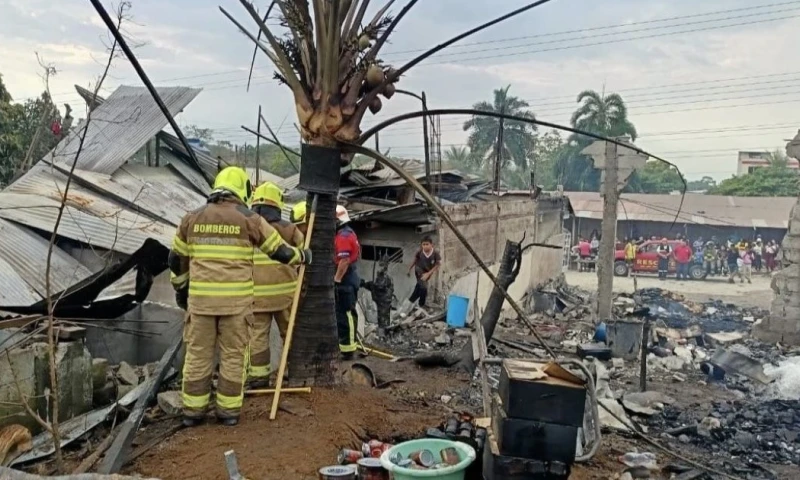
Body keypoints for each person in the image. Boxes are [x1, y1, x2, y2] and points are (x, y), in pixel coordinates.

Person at [169, 167, 310, 427]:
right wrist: (302, 256)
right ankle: (228, 412)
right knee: (233, 355)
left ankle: (192, 412)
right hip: (236, 306)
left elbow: (176, 260)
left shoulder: (191, 218)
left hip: (200, 305)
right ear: (243, 189)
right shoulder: (249, 219)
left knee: (198, 355)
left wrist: (181, 291)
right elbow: (278, 250)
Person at [247, 183, 305, 389]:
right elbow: (303, 254)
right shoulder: (289, 229)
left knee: (257, 338)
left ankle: (258, 378)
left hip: (256, 298)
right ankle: (293, 372)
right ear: (278, 203)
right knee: (290, 334)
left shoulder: (249, 229)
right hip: (286, 296)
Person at [334, 205, 361, 359]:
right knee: (346, 313)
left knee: (346, 313)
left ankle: (348, 350)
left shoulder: (343, 236)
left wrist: (336, 279)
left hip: (345, 278)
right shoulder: (348, 232)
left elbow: (344, 261)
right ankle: (347, 346)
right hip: (350, 277)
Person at [407, 236, 441, 308]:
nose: (425, 246)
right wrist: (409, 268)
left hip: (427, 271)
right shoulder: (420, 252)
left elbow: (438, 264)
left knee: (419, 287)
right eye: (423, 244)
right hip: (419, 270)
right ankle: (421, 304)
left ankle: (409, 302)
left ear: (432, 245)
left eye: (427, 244)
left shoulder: (435, 253)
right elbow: (415, 260)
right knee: (424, 288)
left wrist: (428, 274)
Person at [362, 257, 394, 330]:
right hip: (381, 301)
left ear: (385, 265)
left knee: (383, 319)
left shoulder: (385, 276)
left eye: (381, 265)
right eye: (380, 265)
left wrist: (368, 284)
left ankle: (383, 335)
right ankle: (383, 334)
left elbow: (379, 286)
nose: (379, 267)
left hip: (384, 301)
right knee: (381, 318)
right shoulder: (380, 275)